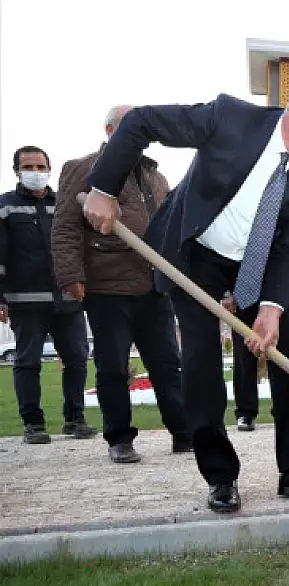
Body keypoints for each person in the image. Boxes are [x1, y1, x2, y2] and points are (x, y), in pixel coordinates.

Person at [81, 79, 289, 514]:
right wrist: (104, 187)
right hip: (196, 253)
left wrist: (270, 309)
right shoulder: (230, 119)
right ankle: (221, 477)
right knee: (201, 360)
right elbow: (142, 121)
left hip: (257, 260)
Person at [52, 106, 193, 463]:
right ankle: (119, 438)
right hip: (107, 286)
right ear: (111, 129)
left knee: (167, 364)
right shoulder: (82, 169)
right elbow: (66, 227)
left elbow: (168, 226)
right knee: (113, 366)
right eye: (131, 128)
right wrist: (71, 275)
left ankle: (183, 431)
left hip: (154, 286)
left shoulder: (154, 176)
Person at [0, 147, 96, 444]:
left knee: (77, 359)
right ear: (16, 170)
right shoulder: (5, 207)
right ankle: (33, 424)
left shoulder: (66, 204)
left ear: (49, 168)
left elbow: (82, 245)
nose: (35, 171)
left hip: (68, 298)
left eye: (41, 165)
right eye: (28, 166)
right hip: (25, 301)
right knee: (27, 362)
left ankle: (75, 419)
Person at [223, 270, 289, 432]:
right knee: (243, 354)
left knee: (284, 350)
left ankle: (284, 409)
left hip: (279, 289)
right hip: (243, 289)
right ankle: (246, 412)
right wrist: (227, 293)